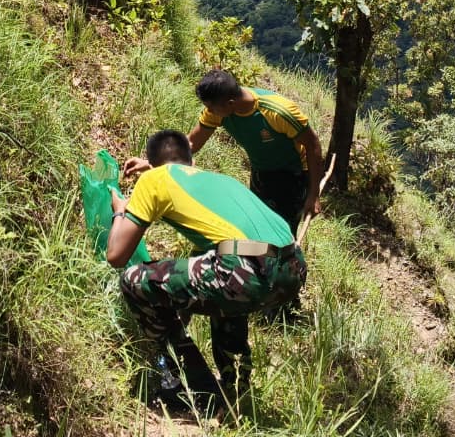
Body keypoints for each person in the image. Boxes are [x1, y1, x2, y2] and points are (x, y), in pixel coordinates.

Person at [107, 129, 307, 413]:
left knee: (133, 280)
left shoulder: (153, 179)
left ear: (152, 163)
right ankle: (234, 391)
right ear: (188, 158)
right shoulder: (218, 180)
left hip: (248, 271)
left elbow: (116, 255)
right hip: (292, 269)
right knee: (215, 277)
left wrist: (120, 210)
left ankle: (178, 383)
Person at [124, 69, 325, 237]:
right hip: (261, 172)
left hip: (293, 176)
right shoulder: (218, 112)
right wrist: (151, 164)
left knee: (282, 231)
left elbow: (313, 145)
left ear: (230, 104)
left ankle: (284, 275)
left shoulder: (276, 112)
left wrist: (313, 195)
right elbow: (192, 143)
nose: (208, 111)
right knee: (256, 224)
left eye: (211, 107)